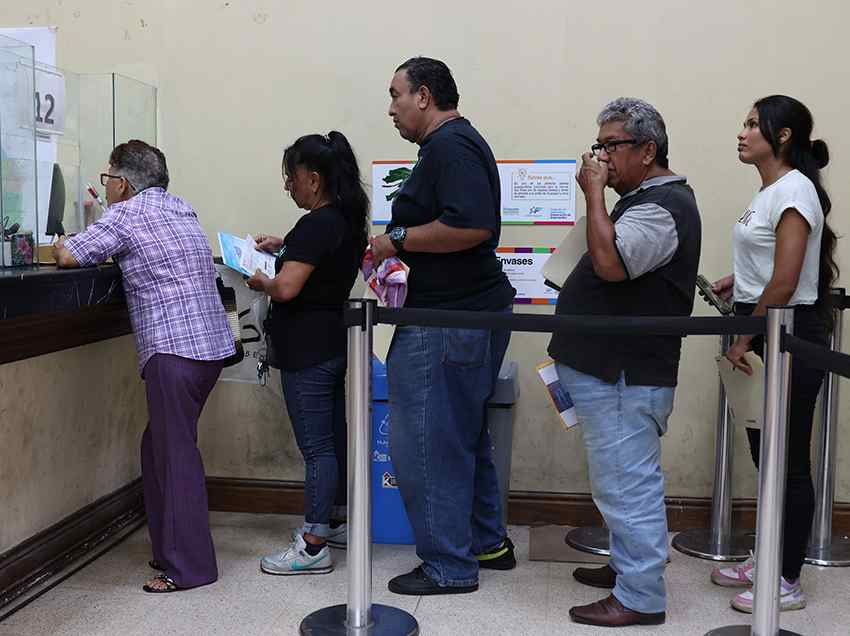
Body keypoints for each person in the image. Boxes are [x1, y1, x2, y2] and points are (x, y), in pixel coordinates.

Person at [53, 140, 235, 593]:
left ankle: (189, 568)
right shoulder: (180, 208)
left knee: (174, 457)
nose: (107, 187)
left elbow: (72, 255)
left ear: (124, 184)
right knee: (160, 445)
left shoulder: (126, 214)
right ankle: (167, 548)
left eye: (108, 179)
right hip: (210, 349)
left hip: (173, 351)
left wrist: (59, 243)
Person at [547, 98, 701, 627]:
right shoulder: (638, 201)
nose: (602, 157)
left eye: (611, 145)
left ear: (648, 149)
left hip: (625, 375)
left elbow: (612, 266)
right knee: (618, 480)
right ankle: (627, 569)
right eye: (601, 146)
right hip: (611, 373)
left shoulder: (663, 208)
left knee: (626, 485)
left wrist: (592, 194)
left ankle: (639, 597)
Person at [370, 56, 516, 596]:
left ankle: (449, 567)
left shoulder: (451, 147)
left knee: (428, 443)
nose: (391, 108)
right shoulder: (451, 147)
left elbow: (471, 226)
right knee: (462, 436)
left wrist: (396, 239)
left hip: (447, 321)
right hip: (467, 315)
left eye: (396, 95)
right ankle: (485, 543)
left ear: (424, 96)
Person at [709, 95, 838, 613]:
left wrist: (744, 338)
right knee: (768, 455)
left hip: (787, 331)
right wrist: (737, 281)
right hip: (765, 321)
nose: (741, 133)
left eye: (751, 125)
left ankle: (785, 577)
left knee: (788, 460)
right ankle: (765, 557)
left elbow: (786, 282)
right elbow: (770, 264)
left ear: (781, 136)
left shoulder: (795, 190)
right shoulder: (769, 192)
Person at [246, 131, 368, 575]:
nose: (288, 186)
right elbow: (320, 264)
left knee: (316, 447)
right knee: (333, 437)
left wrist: (261, 279)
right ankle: (334, 520)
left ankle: (313, 544)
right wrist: (284, 248)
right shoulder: (345, 220)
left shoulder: (316, 224)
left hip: (306, 351)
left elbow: (289, 286)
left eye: (291, 177)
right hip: (331, 343)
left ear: (313, 179)